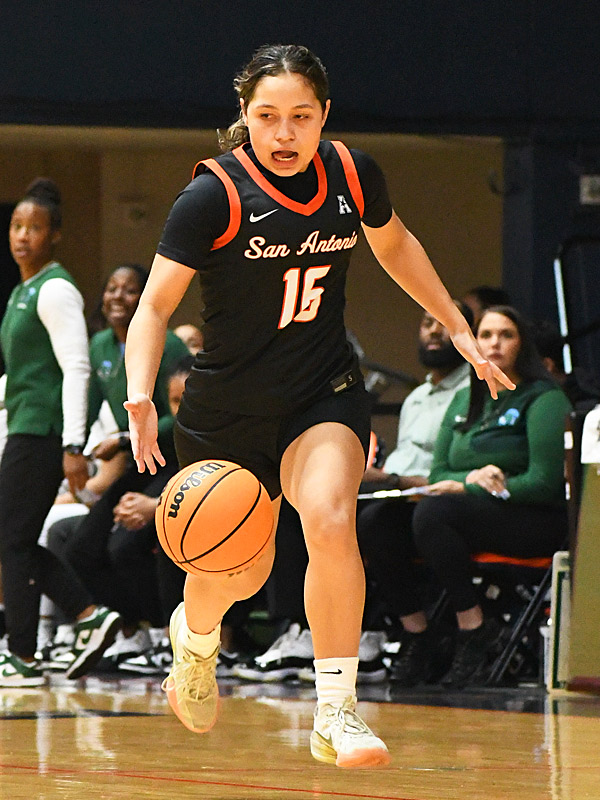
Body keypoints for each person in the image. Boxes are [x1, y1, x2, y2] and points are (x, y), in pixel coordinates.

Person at [124, 45, 512, 768]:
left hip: (320, 389)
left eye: (300, 116)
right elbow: (152, 308)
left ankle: (337, 710)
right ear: (243, 116)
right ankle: (195, 639)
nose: (283, 133)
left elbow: (395, 245)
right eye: (267, 116)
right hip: (227, 410)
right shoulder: (212, 196)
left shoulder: (351, 173)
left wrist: (458, 325)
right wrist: (140, 392)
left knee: (333, 519)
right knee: (234, 571)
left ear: (324, 116)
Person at [391, 306, 571, 688]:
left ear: (522, 345)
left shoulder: (544, 399)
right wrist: (469, 477)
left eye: (506, 334)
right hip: (469, 513)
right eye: (485, 335)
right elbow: (439, 474)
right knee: (377, 521)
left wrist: (471, 487)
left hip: (531, 519)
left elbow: (543, 482)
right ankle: (419, 634)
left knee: (435, 514)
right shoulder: (465, 399)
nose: (494, 343)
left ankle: (474, 627)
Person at [0, 178, 121, 686]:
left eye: (35, 228)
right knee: (17, 540)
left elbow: (76, 368)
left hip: (45, 431)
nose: (23, 235)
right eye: (17, 225)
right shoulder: (23, 291)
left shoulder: (55, 289)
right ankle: (86, 615)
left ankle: (25, 653)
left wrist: (74, 444)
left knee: (13, 541)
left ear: (55, 236)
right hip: (23, 429)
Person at [46, 264, 189, 667]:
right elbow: (87, 405)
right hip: (135, 462)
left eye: (129, 290)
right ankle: (132, 629)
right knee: (80, 548)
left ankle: (163, 634)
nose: (117, 297)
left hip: (171, 459)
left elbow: (183, 415)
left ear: (144, 298)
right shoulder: (100, 347)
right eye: (111, 288)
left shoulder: (173, 345)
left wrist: (127, 438)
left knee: (124, 546)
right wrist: (72, 447)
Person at [356, 303, 473, 682]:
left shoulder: (474, 390)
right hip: (396, 496)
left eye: (444, 323)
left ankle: (417, 633)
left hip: (444, 503)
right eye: (427, 322)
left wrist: (399, 482)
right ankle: (406, 631)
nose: (434, 330)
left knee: (376, 523)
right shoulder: (416, 397)